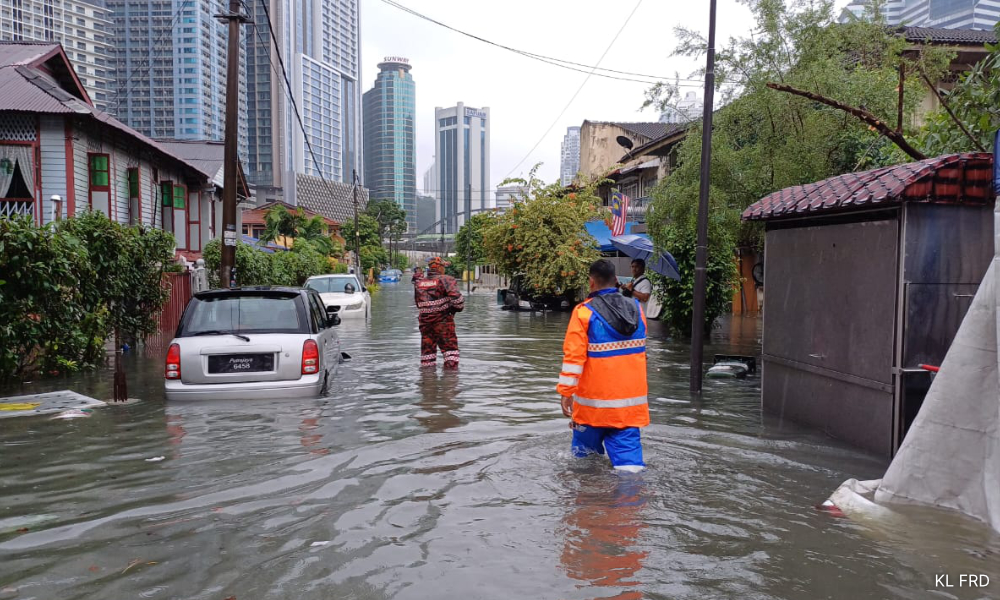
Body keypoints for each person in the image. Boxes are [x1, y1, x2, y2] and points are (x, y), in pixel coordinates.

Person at [557, 259, 649, 472]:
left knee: (583, 468)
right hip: (628, 411)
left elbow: (573, 359)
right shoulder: (636, 310)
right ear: (616, 280)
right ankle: (630, 503)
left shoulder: (583, 313)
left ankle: (592, 503)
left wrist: (566, 392)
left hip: (592, 410)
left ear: (591, 283)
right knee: (631, 472)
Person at [414, 257, 465, 369]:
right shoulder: (446, 279)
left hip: (425, 323)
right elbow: (457, 300)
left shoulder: (419, 283)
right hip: (443, 322)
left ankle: (427, 382)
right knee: (450, 353)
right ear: (440, 267)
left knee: (427, 355)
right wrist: (455, 309)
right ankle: (450, 382)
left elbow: (418, 304)